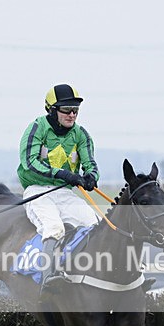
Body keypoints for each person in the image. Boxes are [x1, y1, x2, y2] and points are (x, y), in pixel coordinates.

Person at [17, 83, 100, 297]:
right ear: (52, 110)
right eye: (67, 110)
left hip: (65, 193)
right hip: (37, 191)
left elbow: (90, 163)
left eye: (76, 110)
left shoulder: (81, 134)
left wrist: (91, 176)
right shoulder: (37, 128)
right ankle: (47, 279)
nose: (72, 115)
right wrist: (63, 174)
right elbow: (30, 163)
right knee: (54, 228)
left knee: (96, 226)